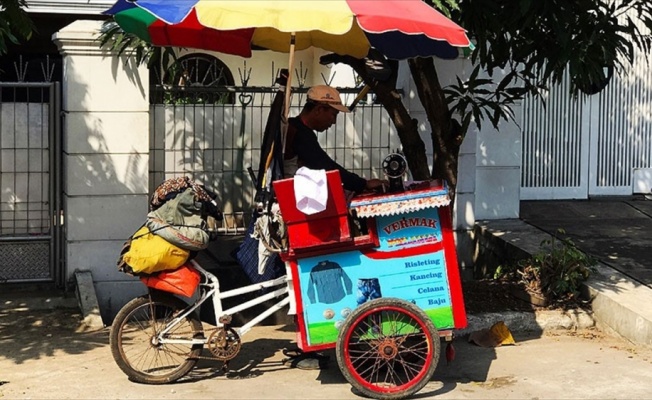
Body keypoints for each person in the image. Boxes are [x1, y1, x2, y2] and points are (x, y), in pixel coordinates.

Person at [283, 85, 387, 194]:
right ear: (319, 109)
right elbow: (325, 167)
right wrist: (363, 184)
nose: (334, 122)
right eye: (333, 115)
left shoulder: (296, 127)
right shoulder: (299, 133)